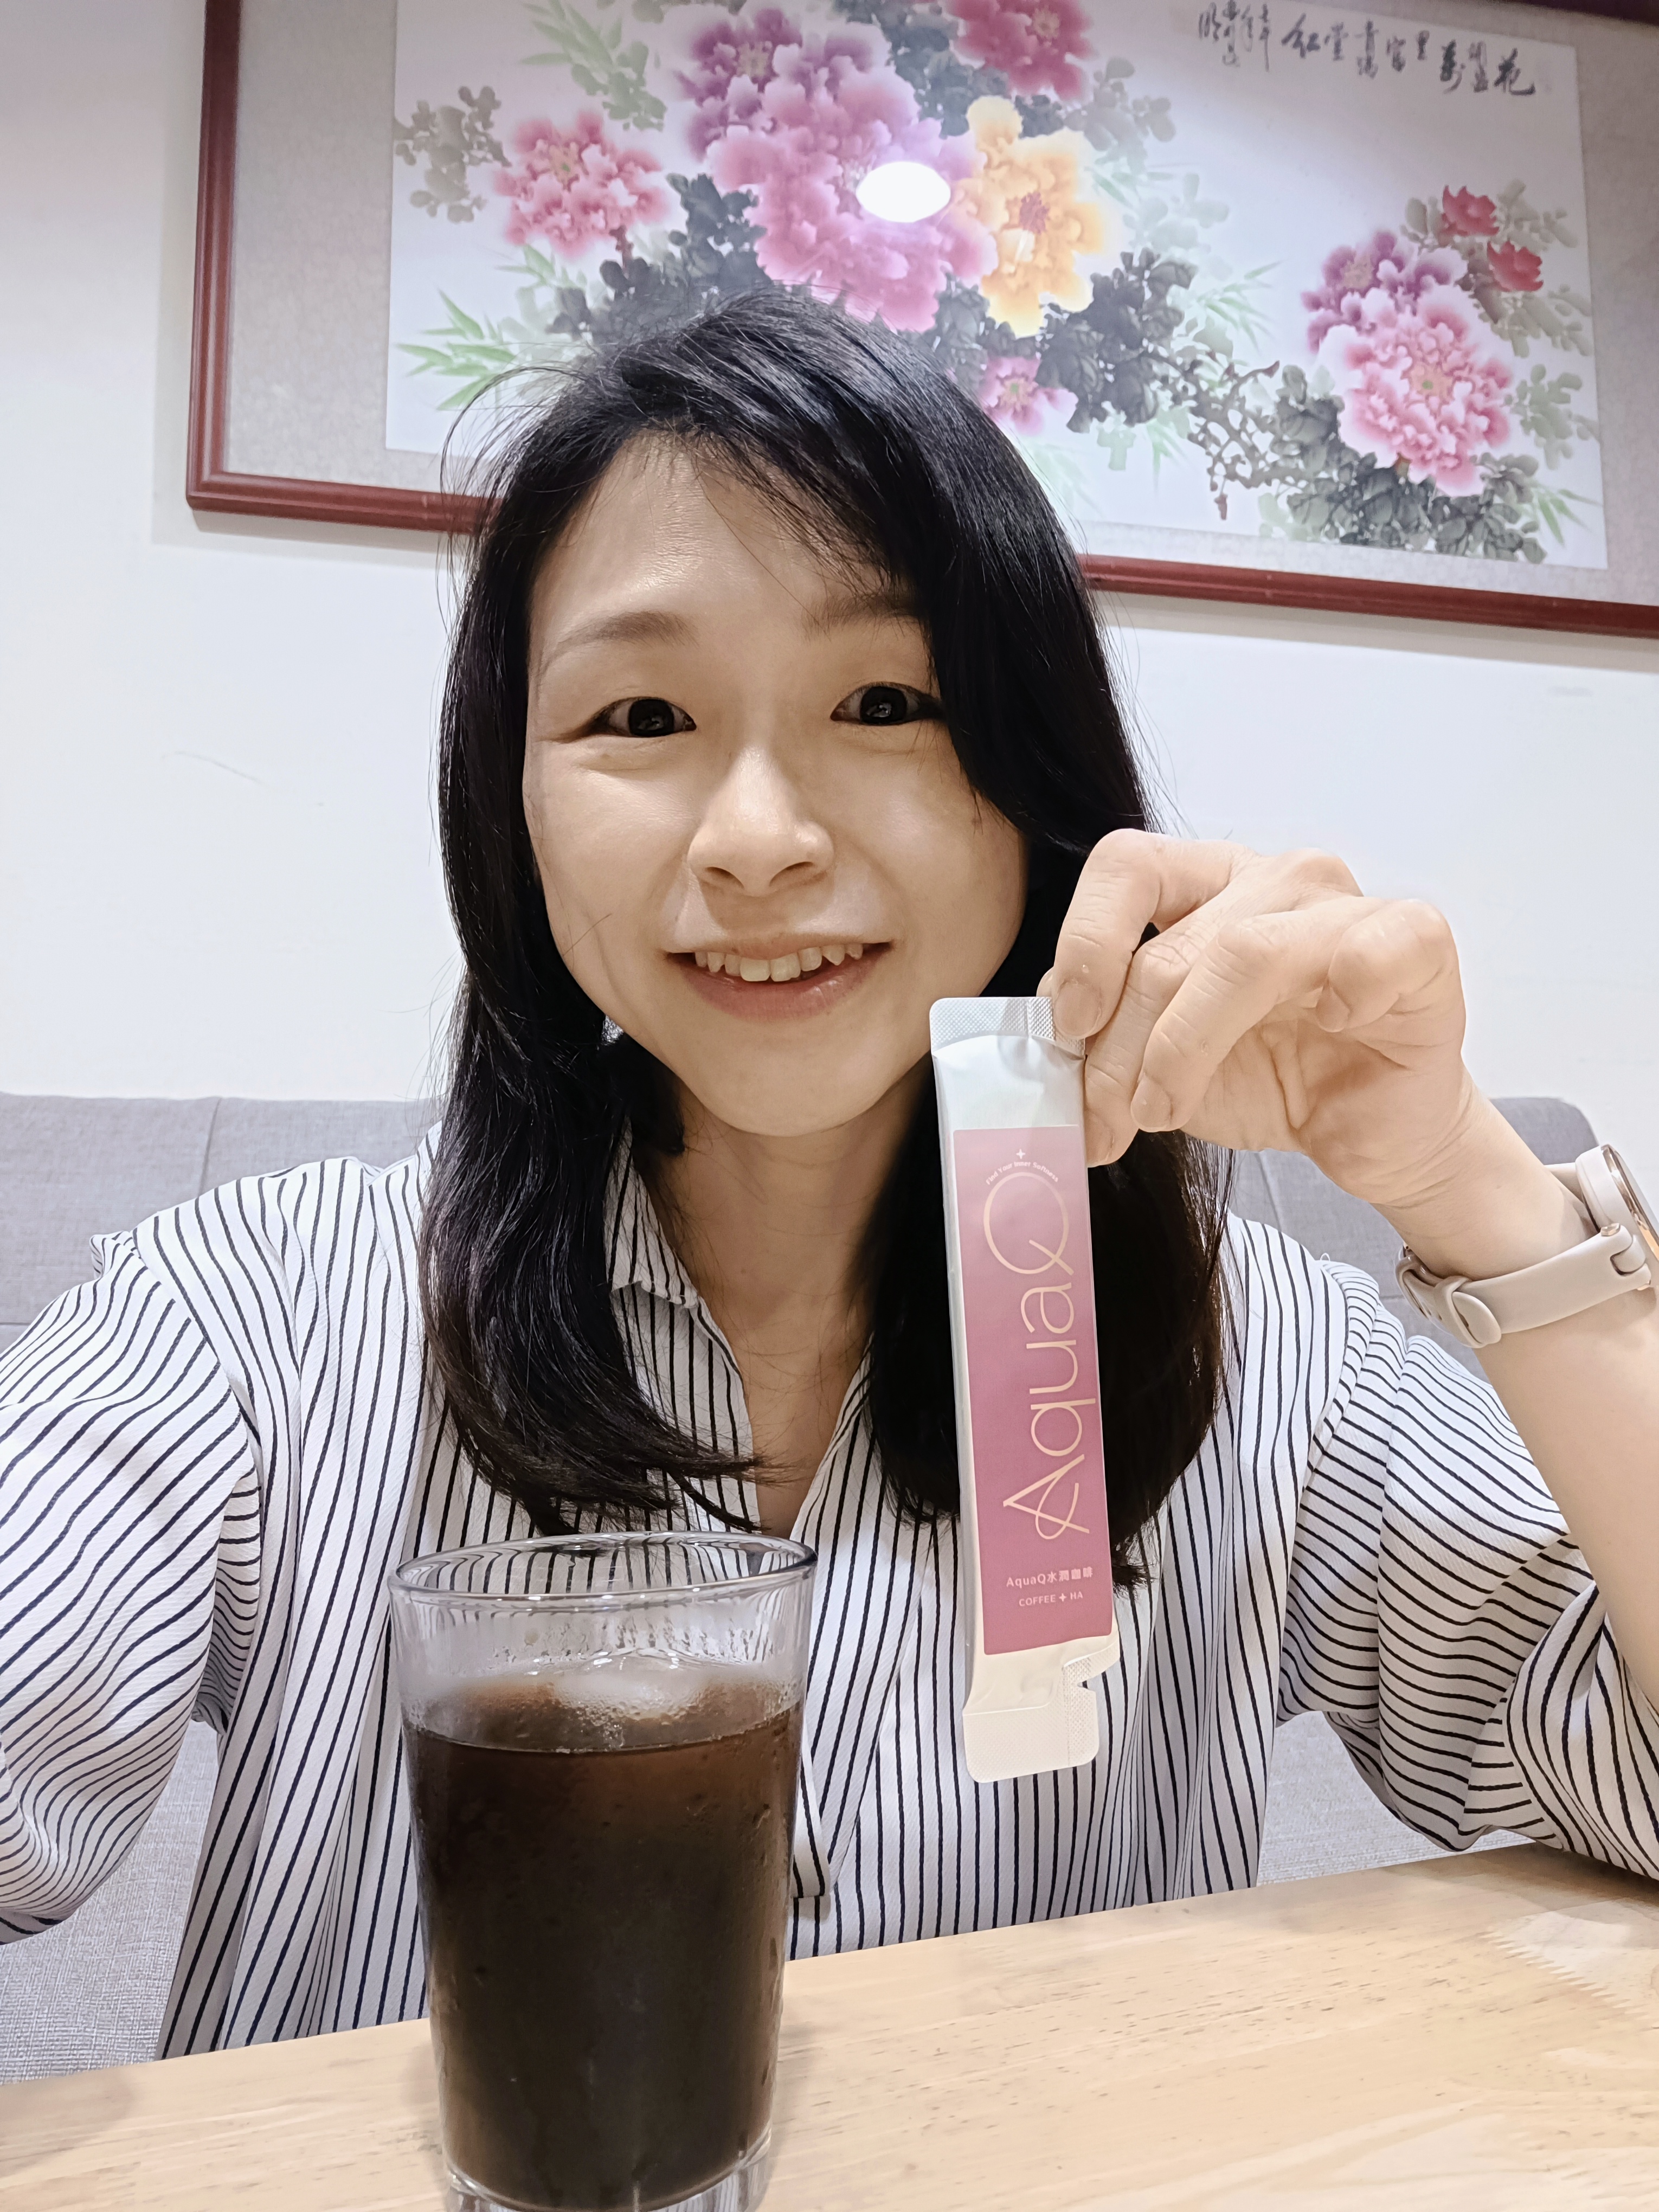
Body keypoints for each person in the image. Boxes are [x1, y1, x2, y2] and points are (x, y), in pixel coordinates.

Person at [3, 294, 1656, 2060]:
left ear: (1035, 781)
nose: (757, 841)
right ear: (513, 806)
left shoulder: (1271, 1364)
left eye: (884, 701)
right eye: (641, 713)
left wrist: (1466, 1182)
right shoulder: (246, 1327)